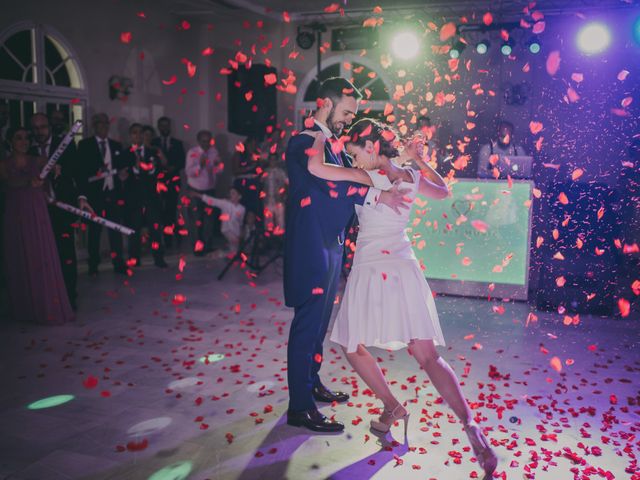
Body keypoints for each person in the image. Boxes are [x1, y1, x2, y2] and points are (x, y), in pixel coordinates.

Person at [305, 117, 498, 477]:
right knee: (427, 356)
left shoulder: (367, 178)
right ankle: (470, 426)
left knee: (351, 345)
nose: (354, 160)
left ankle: (392, 406)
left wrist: (318, 131)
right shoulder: (408, 176)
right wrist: (419, 160)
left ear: (373, 146)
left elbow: (315, 166)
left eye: (356, 152)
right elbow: (444, 192)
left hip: (371, 267)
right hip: (405, 268)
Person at [284, 77, 410, 433]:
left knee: (320, 324)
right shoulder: (303, 142)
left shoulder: (333, 145)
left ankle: (311, 383)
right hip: (311, 244)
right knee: (307, 324)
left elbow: (346, 180)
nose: (348, 119)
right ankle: (300, 406)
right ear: (324, 103)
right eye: (345, 111)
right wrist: (373, 192)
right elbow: (326, 184)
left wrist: (378, 188)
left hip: (331, 243)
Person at [0, 126, 75, 324]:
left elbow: (54, 168)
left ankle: (46, 306)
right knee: (19, 256)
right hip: (15, 215)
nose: (23, 142)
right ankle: (24, 309)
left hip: (36, 213)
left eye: (26, 138)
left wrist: (56, 169)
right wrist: (29, 181)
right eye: (18, 138)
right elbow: (8, 183)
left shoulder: (39, 160)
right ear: (10, 141)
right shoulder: (3, 164)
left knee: (40, 255)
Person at [29, 113, 93, 310]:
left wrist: (82, 197)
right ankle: (47, 297)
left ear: (50, 126)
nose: (39, 132)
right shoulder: (28, 148)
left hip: (61, 208)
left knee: (65, 252)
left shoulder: (64, 145)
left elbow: (79, 172)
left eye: (43, 127)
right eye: (35, 128)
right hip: (37, 211)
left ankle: (69, 296)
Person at [77, 113, 129, 275]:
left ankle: (118, 263)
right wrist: (95, 172)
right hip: (95, 194)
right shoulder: (85, 145)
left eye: (106, 124)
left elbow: (121, 167)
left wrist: (122, 175)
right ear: (94, 126)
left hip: (112, 193)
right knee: (95, 231)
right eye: (101, 124)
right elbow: (81, 171)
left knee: (115, 230)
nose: (104, 127)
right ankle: (93, 264)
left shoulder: (116, 145)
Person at [124, 124, 168, 268]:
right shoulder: (126, 153)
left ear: (144, 135)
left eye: (140, 133)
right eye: (134, 133)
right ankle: (134, 258)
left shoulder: (152, 152)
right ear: (130, 135)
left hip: (151, 197)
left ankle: (159, 258)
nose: (137, 136)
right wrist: (136, 169)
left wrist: (150, 169)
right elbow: (125, 176)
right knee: (134, 230)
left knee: (155, 229)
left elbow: (160, 172)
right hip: (134, 198)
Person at [185, 129, 223, 256]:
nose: (206, 144)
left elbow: (219, 172)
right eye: (203, 141)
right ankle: (198, 248)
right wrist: (200, 166)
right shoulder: (192, 152)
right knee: (196, 220)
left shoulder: (214, 151)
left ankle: (207, 246)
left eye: (208, 141)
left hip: (210, 190)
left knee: (209, 220)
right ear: (198, 141)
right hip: (195, 189)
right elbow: (189, 173)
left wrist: (218, 166)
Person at [152, 116, 185, 248]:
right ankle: (159, 239)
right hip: (158, 182)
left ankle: (169, 240)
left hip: (173, 181)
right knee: (159, 210)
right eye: (162, 125)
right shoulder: (153, 143)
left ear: (170, 127)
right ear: (158, 127)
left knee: (171, 211)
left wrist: (174, 167)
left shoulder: (177, 143)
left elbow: (182, 161)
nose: (165, 128)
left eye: (167, 125)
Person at [191, 187, 246, 255]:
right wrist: (197, 195)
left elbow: (240, 222)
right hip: (227, 230)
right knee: (234, 248)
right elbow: (213, 201)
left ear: (239, 196)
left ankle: (218, 253)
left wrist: (241, 233)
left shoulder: (242, 208)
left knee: (235, 252)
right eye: (230, 193)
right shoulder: (225, 203)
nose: (231, 195)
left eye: (233, 193)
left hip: (236, 232)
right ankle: (219, 253)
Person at [261, 152, 287, 235]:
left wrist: (283, 195)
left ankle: (279, 241)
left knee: (280, 221)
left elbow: (287, 183)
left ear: (277, 161)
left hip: (279, 200)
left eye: (274, 159)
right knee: (268, 222)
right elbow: (261, 184)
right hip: (268, 199)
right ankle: (268, 241)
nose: (272, 161)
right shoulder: (265, 171)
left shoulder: (281, 172)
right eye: (271, 159)